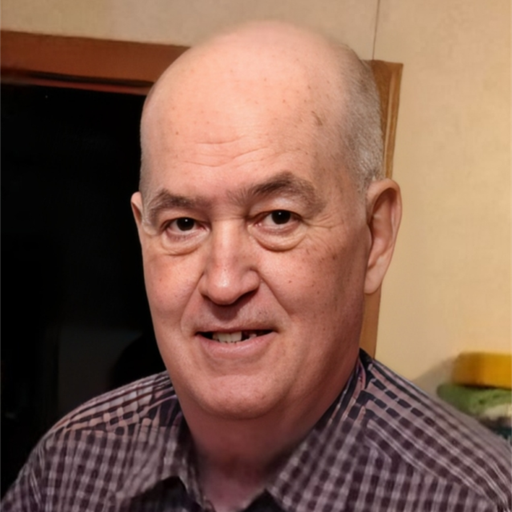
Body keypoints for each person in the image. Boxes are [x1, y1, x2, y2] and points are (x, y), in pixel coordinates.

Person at [2, 21, 511, 512]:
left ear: (375, 236)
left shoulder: (475, 498)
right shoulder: (67, 467)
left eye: (278, 217)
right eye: (184, 224)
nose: (224, 284)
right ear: (143, 233)